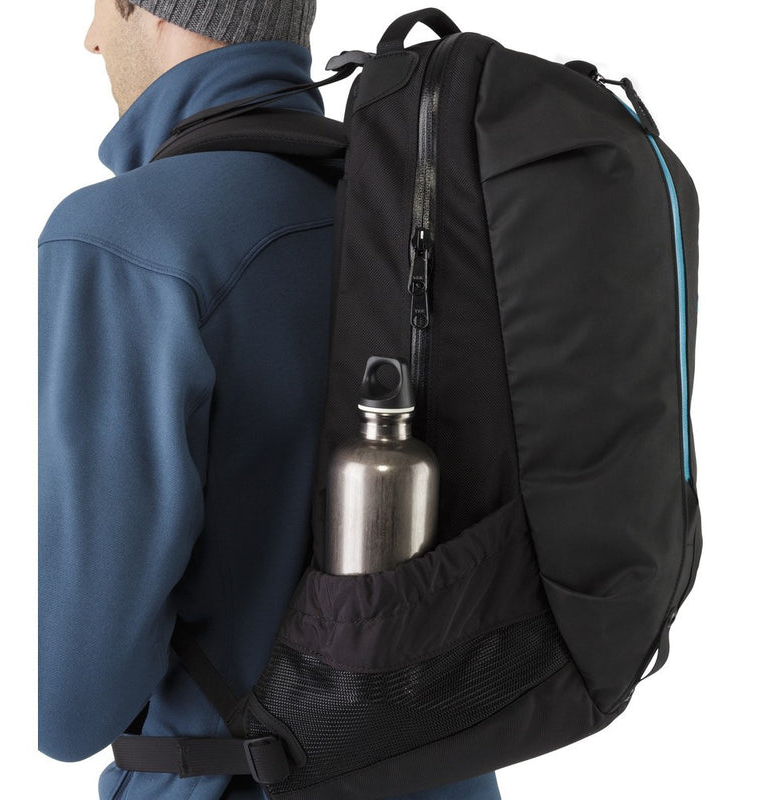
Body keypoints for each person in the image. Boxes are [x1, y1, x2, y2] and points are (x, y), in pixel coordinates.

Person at [38, 2, 503, 799]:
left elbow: (68, 706)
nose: (90, 38)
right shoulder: (420, 209)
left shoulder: (125, 240)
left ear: (146, 10)